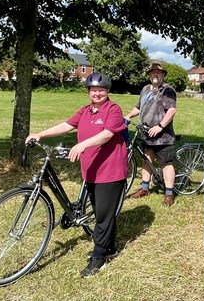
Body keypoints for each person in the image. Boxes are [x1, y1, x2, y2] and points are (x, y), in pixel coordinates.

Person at [25, 73, 128, 278]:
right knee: (101, 212)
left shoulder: (113, 109)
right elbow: (67, 125)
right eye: (93, 90)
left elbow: (107, 134)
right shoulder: (85, 111)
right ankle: (110, 247)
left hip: (110, 171)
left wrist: (82, 144)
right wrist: (41, 133)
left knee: (103, 216)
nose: (97, 93)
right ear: (88, 92)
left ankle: (99, 258)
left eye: (101, 90)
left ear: (107, 91)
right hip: (90, 170)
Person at [125, 62, 177, 206]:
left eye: (158, 73)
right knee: (146, 158)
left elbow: (171, 110)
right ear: (149, 75)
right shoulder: (145, 89)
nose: (155, 75)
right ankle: (144, 188)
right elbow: (138, 107)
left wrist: (160, 126)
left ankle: (169, 194)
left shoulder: (167, 90)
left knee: (166, 163)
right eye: (153, 73)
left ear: (163, 75)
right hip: (146, 133)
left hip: (163, 135)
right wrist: (128, 116)